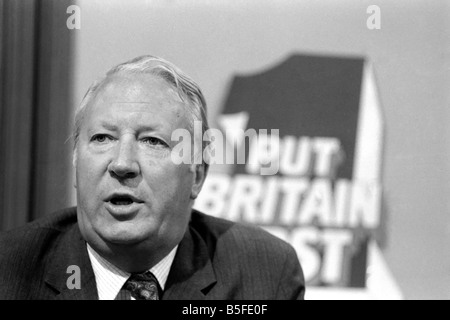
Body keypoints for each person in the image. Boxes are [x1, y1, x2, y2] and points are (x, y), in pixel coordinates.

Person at [0, 55, 305, 300]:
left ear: (197, 174)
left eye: (152, 142)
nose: (122, 164)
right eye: (103, 138)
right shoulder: (10, 271)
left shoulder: (264, 273)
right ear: (76, 163)